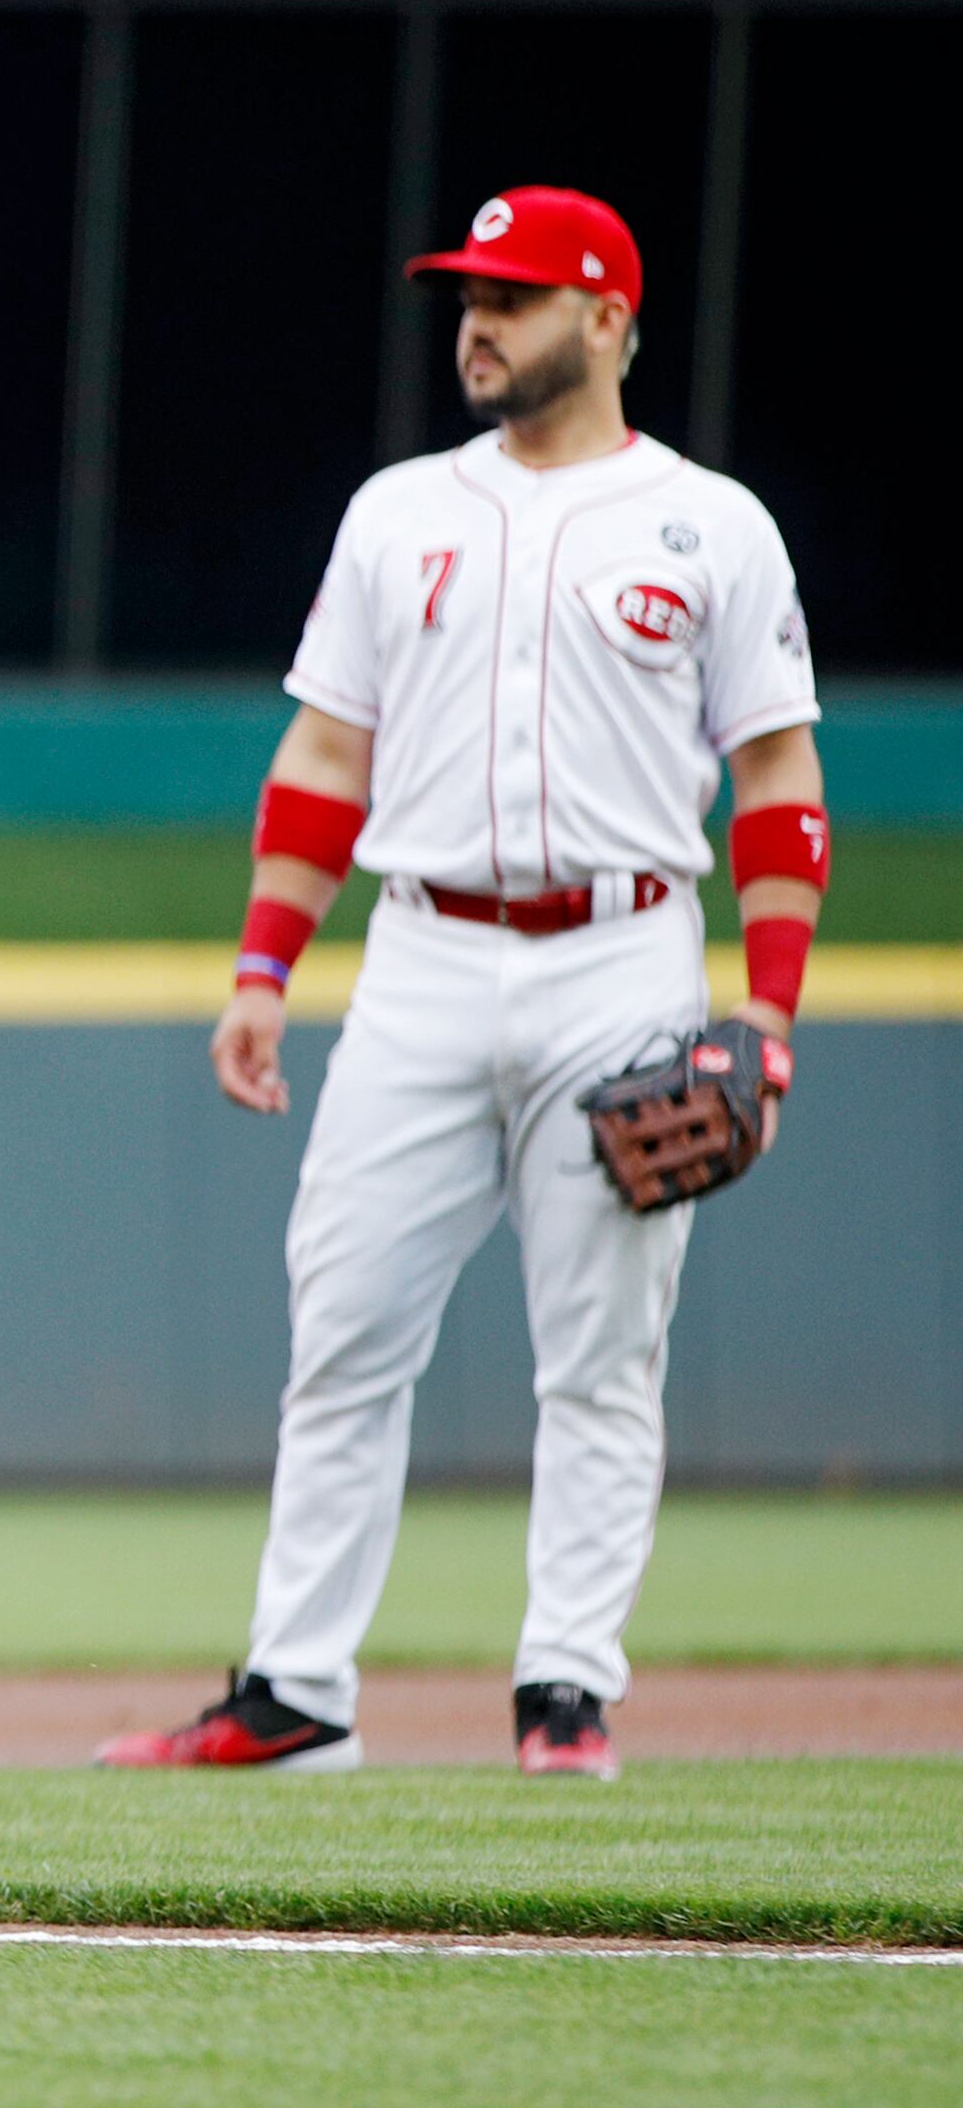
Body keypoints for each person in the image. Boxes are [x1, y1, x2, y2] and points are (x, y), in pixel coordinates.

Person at [101, 187, 826, 1784]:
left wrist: (765, 1016)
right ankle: (296, 1690)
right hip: (422, 950)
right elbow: (325, 754)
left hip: (625, 953)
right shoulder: (399, 511)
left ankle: (567, 1692)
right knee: (343, 1323)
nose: (479, 322)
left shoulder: (711, 524)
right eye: (467, 294)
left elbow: (778, 776)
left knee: (602, 1353)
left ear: (612, 321)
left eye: (517, 294)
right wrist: (260, 968)